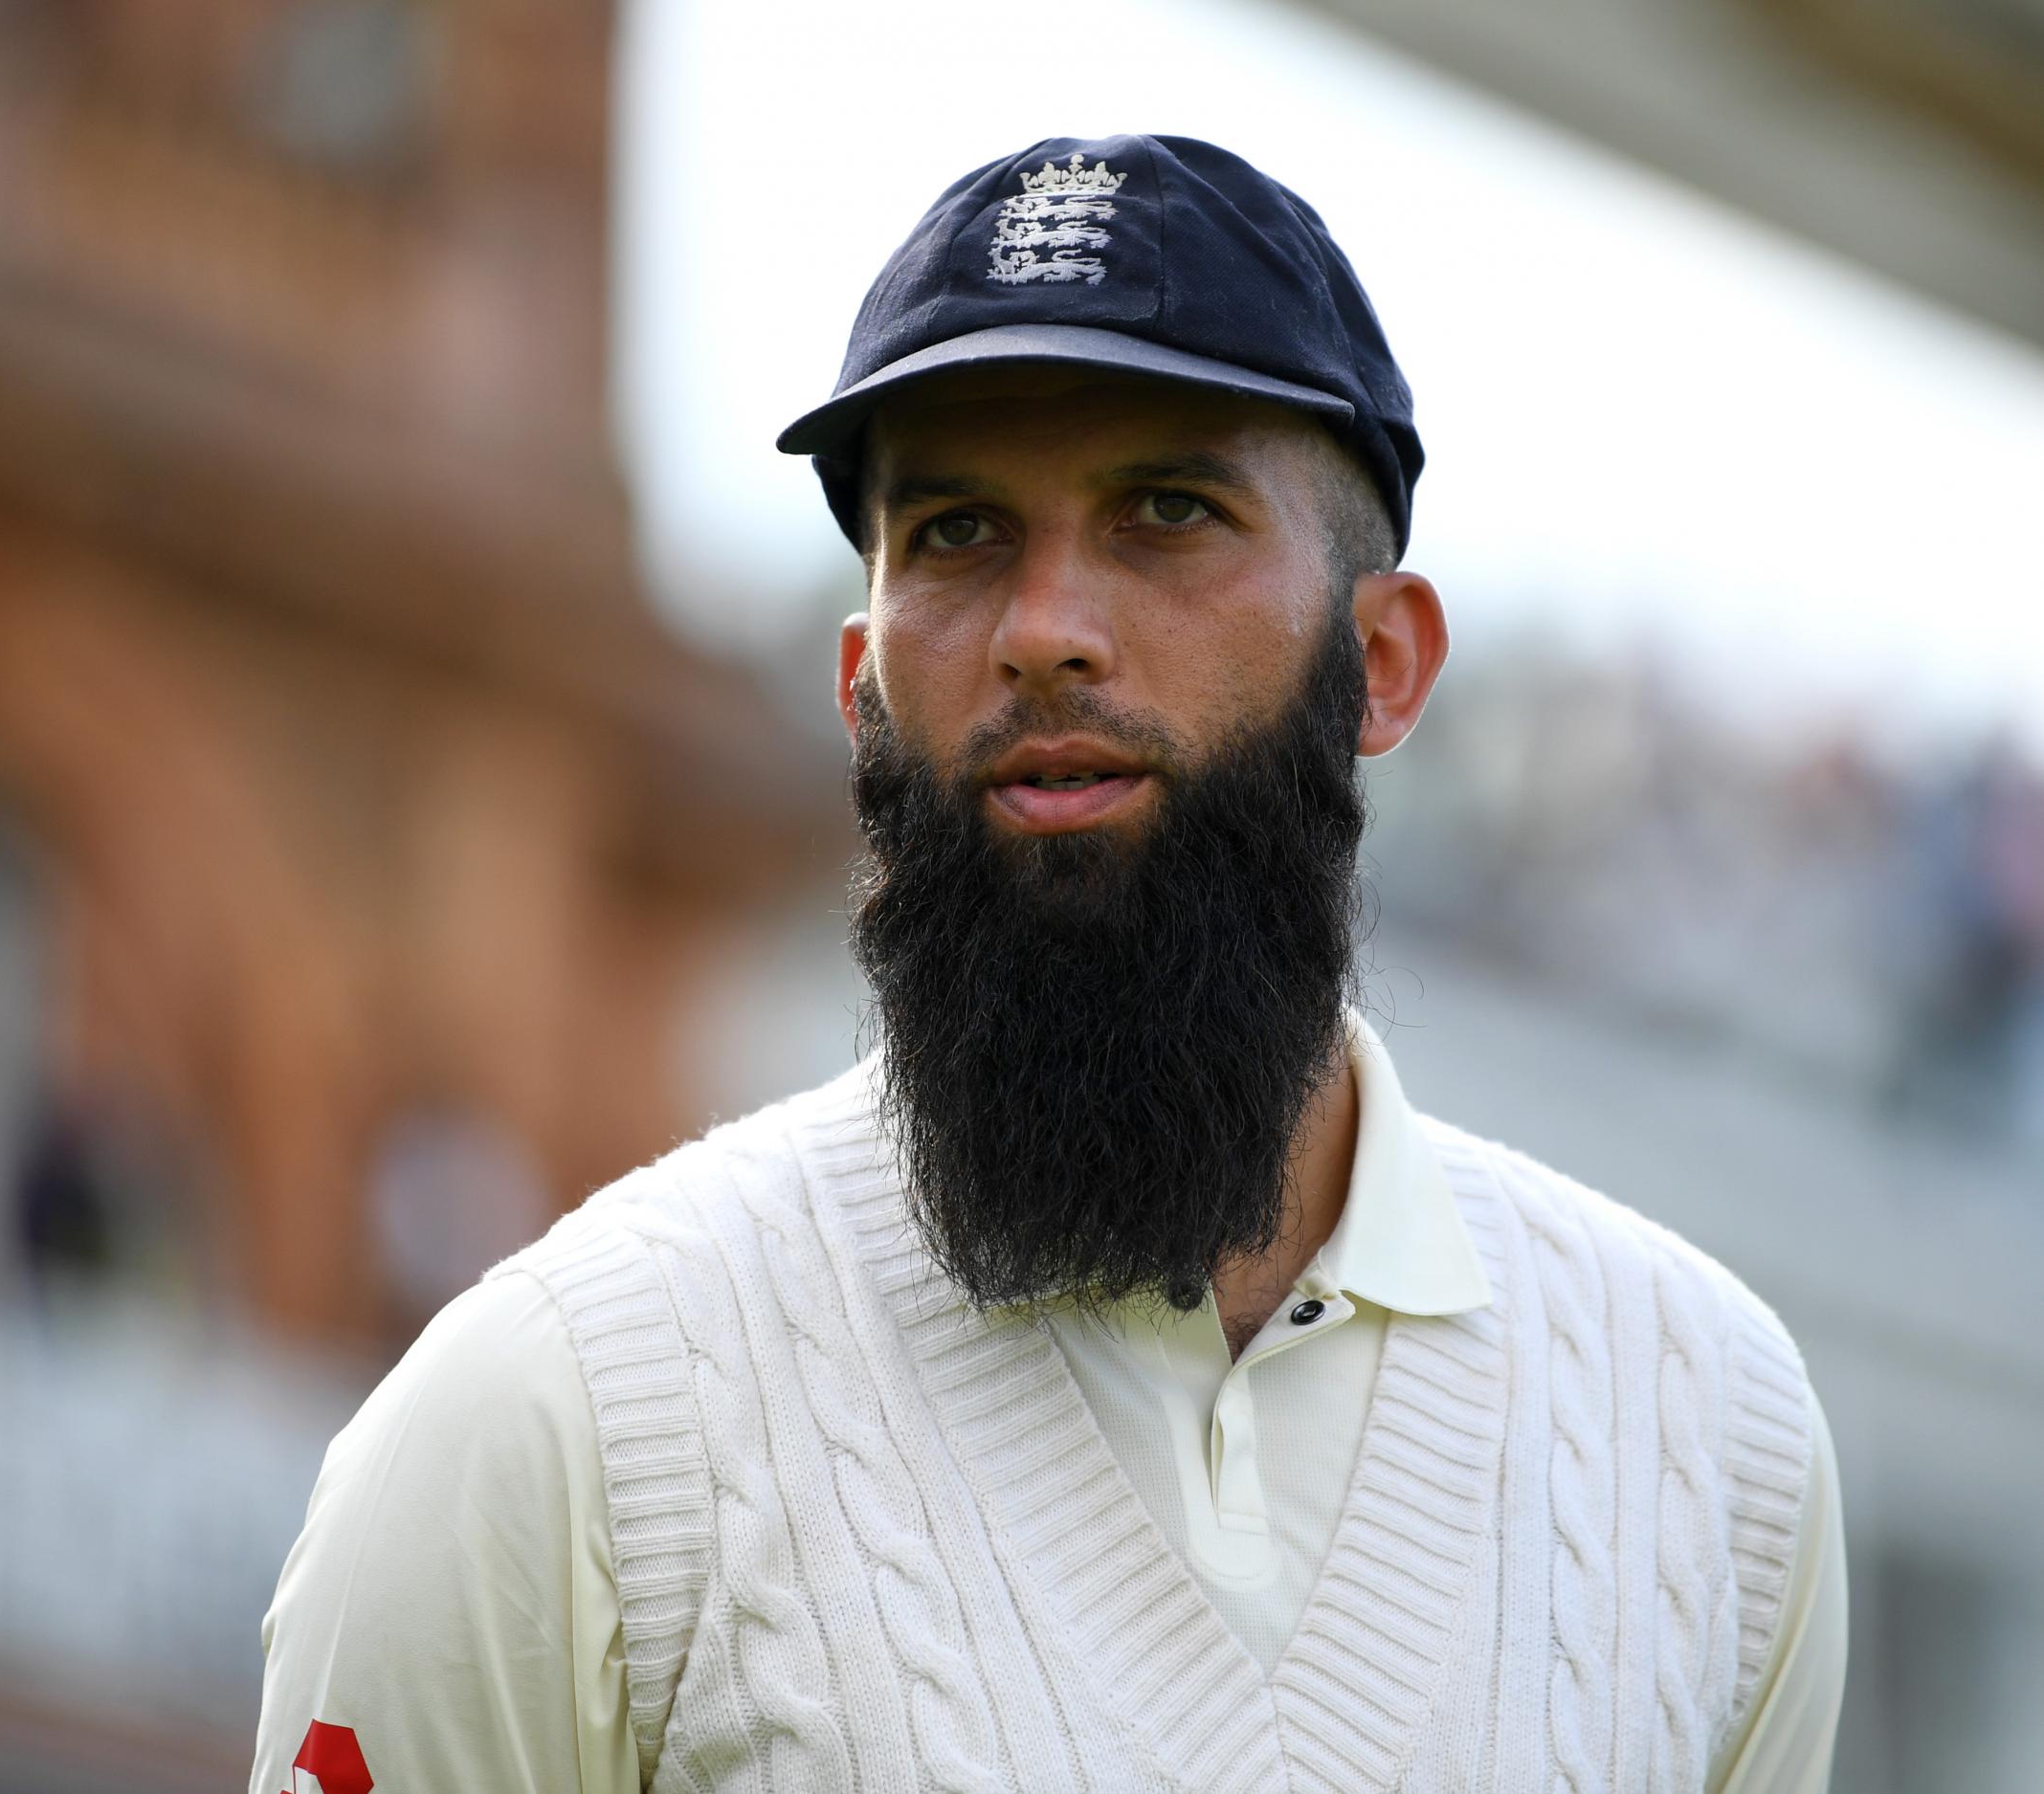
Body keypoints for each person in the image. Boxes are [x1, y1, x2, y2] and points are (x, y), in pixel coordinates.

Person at [248, 134, 1846, 1794]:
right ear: (864, 681)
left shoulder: (1707, 1437)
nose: (1045, 625)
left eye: (1169, 510)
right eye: (955, 530)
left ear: (1380, 662)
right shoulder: (553, 1419)